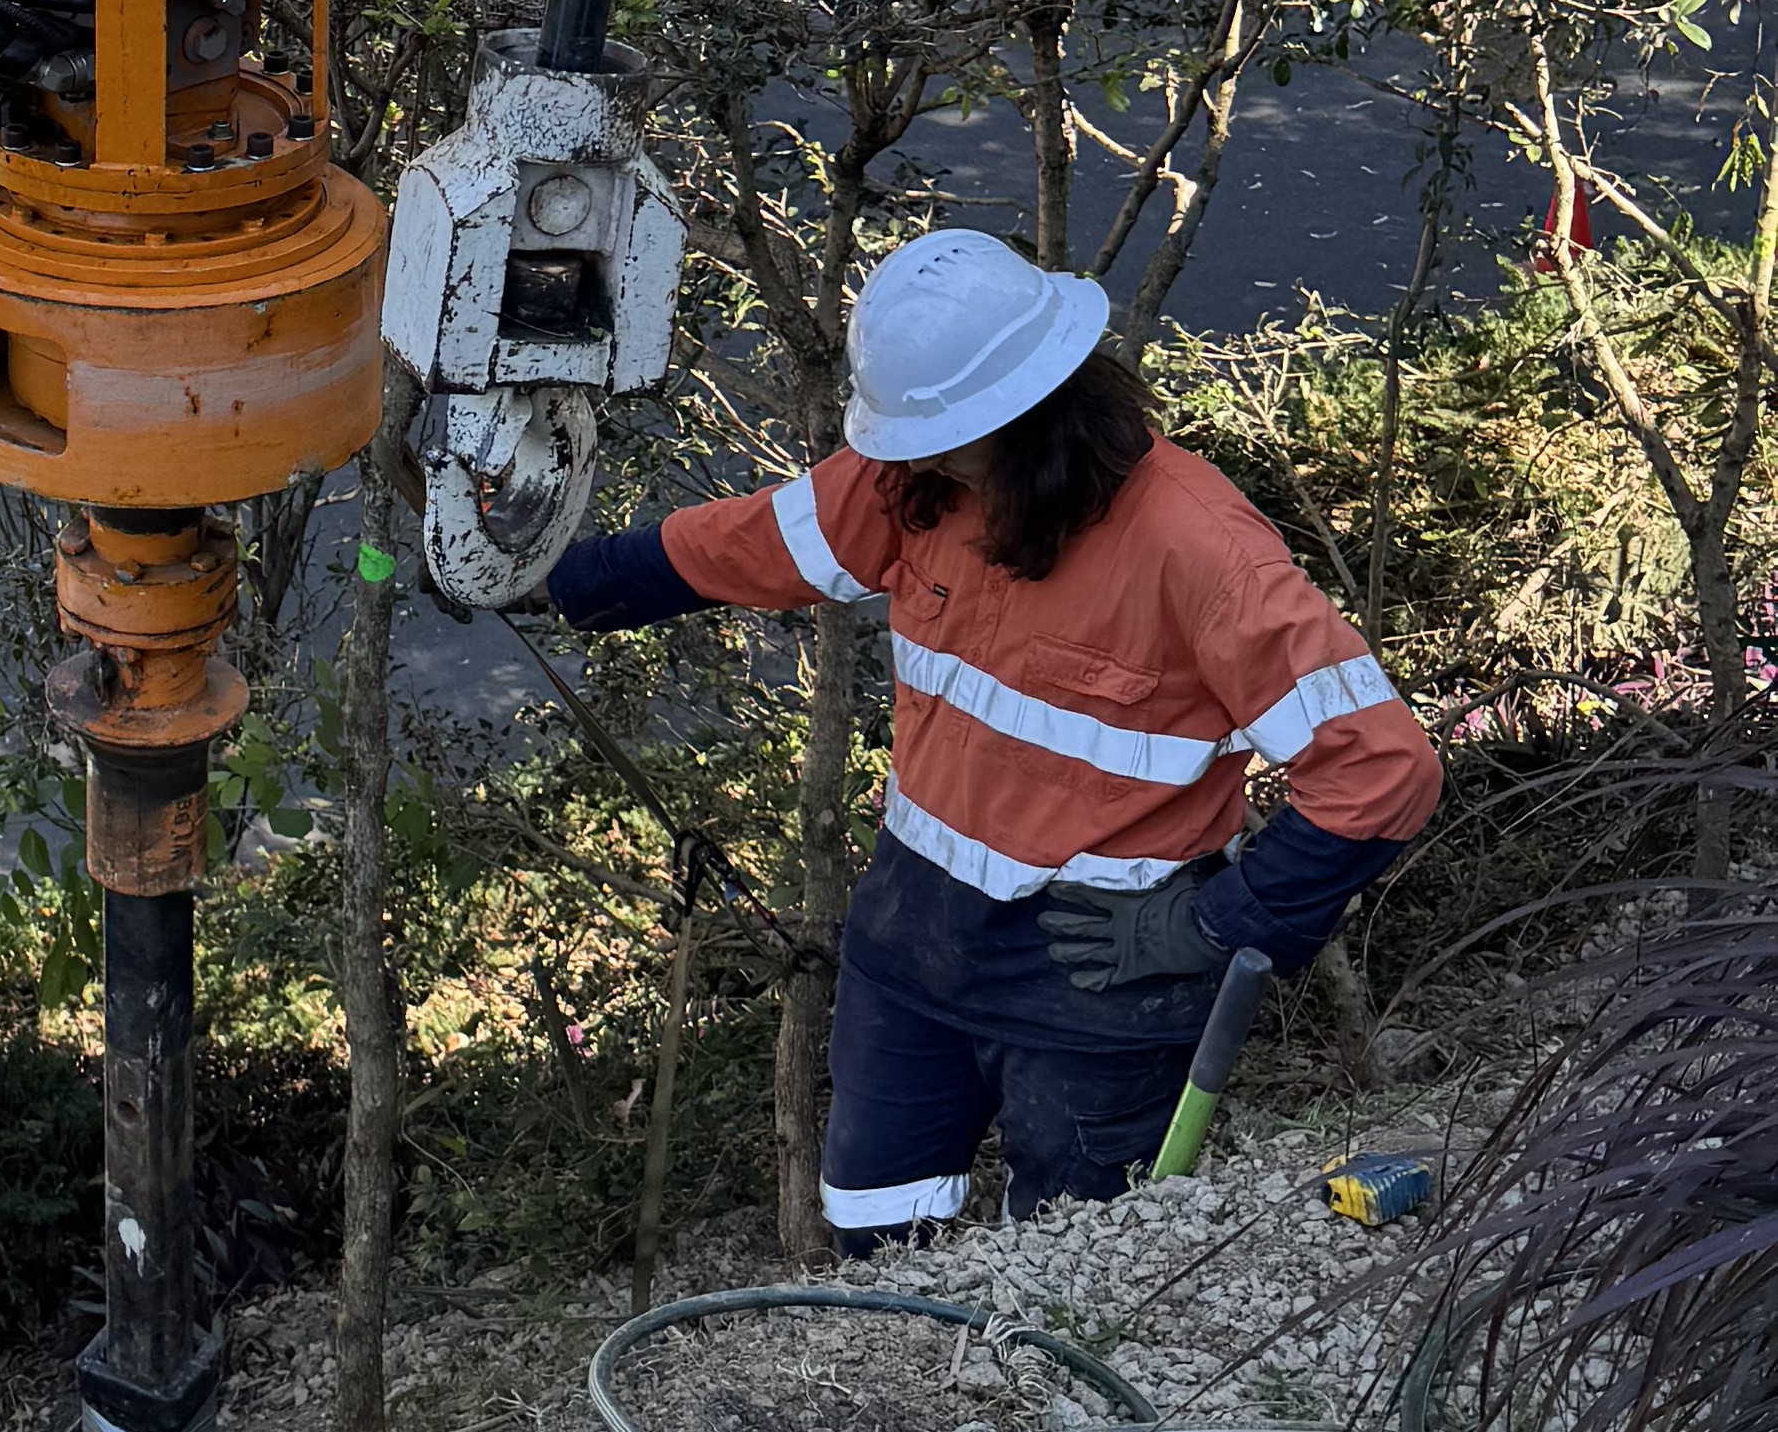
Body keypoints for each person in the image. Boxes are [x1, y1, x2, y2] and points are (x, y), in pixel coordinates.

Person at [544, 226, 1439, 1226]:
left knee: (1071, 1258)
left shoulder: (1199, 550)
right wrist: (558, 579)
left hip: (1093, 977)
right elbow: (754, 542)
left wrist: (1216, 923)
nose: (906, 454)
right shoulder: (918, 486)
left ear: (1025, 410)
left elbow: (1382, 771)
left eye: (935, 436)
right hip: (913, 943)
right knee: (875, 1227)